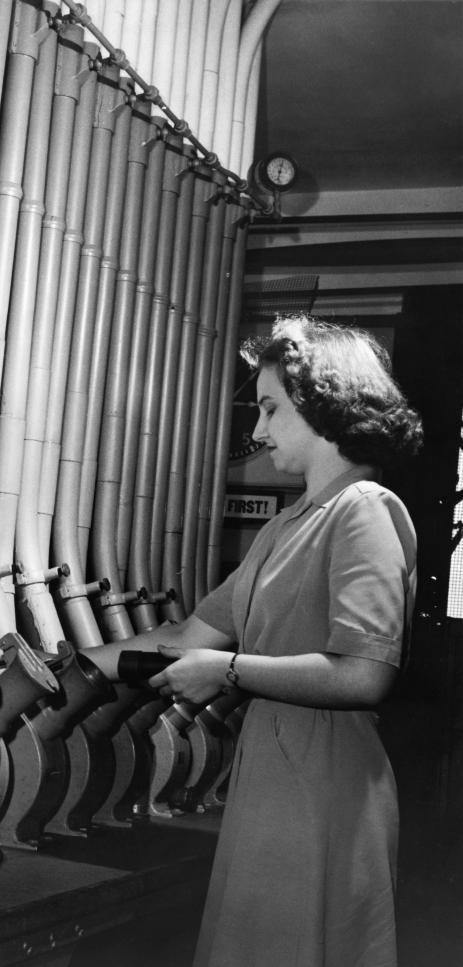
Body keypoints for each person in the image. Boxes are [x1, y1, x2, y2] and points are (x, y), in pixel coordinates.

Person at [90, 315, 423, 967]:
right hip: (272, 781)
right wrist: (66, 666)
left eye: (270, 408)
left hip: (329, 786)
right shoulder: (285, 528)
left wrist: (228, 670)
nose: (260, 430)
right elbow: (188, 634)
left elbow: (364, 674)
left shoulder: (365, 509)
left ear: (322, 403)